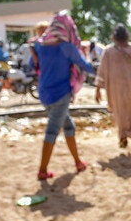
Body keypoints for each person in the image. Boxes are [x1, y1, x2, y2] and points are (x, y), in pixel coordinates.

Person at [32, 11, 93, 180]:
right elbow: (86, 66)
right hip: (60, 95)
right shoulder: (67, 48)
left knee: (69, 127)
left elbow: (33, 63)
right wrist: (85, 52)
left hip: (44, 93)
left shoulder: (39, 45)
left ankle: (78, 162)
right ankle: (42, 170)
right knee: (52, 131)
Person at [94, 24, 131, 158]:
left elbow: (101, 72)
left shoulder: (109, 51)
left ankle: (123, 138)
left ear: (114, 37)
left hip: (118, 92)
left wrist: (98, 90)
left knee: (122, 116)